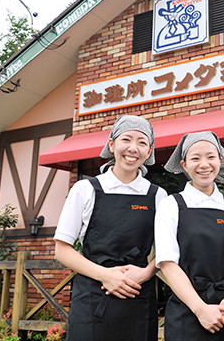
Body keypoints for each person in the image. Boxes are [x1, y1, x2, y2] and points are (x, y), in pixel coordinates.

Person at [54, 115, 167, 341]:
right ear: (112, 144)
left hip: (138, 295)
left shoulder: (158, 196)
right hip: (92, 296)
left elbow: (166, 251)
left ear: (150, 151)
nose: (133, 148)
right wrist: (105, 275)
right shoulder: (85, 189)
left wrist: (145, 273)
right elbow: (62, 249)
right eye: (126, 139)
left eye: (142, 142)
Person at [155, 131, 224, 341]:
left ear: (220, 161)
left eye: (210, 157)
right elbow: (168, 263)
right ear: (184, 165)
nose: (204, 164)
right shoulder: (171, 205)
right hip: (188, 311)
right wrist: (200, 309)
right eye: (195, 158)